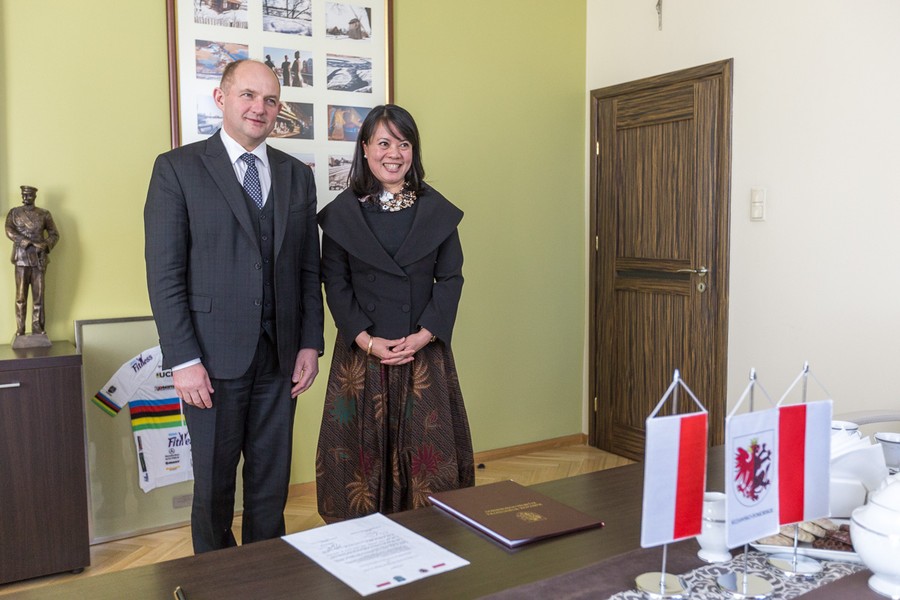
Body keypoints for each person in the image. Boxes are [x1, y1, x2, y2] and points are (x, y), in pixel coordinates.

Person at [144, 59, 324, 553]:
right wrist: (183, 360)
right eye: (248, 95)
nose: (259, 108)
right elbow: (164, 275)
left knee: (271, 484)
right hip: (209, 359)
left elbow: (308, 270)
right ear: (221, 99)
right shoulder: (176, 169)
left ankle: (266, 575)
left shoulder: (296, 176)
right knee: (214, 486)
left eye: (270, 100)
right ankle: (213, 580)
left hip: (280, 358)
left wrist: (310, 343)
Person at [316, 104, 474, 521]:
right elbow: (335, 283)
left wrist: (424, 335)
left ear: (413, 151)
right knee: (358, 457)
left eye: (404, 144)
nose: (394, 153)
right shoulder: (341, 214)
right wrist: (365, 340)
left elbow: (451, 278)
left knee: (427, 456)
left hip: (421, 350)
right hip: (362, 352)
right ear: (365, 148)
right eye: (384, 143)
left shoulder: (437, 211)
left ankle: (428, 533)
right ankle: (363, 541)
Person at [5, 185, 59, 336]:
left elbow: (54, 234)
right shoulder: (14, 213)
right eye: (23, 195)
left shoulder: (44, 214)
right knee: (20, 297)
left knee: (39, 296)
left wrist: (45, 244)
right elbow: (9, 230)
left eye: (28, 195)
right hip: (21, 259)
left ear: (34, 196)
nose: (25, 198)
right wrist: (25, 241)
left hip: (38, 259)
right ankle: (20, 329)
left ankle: (37, 328)